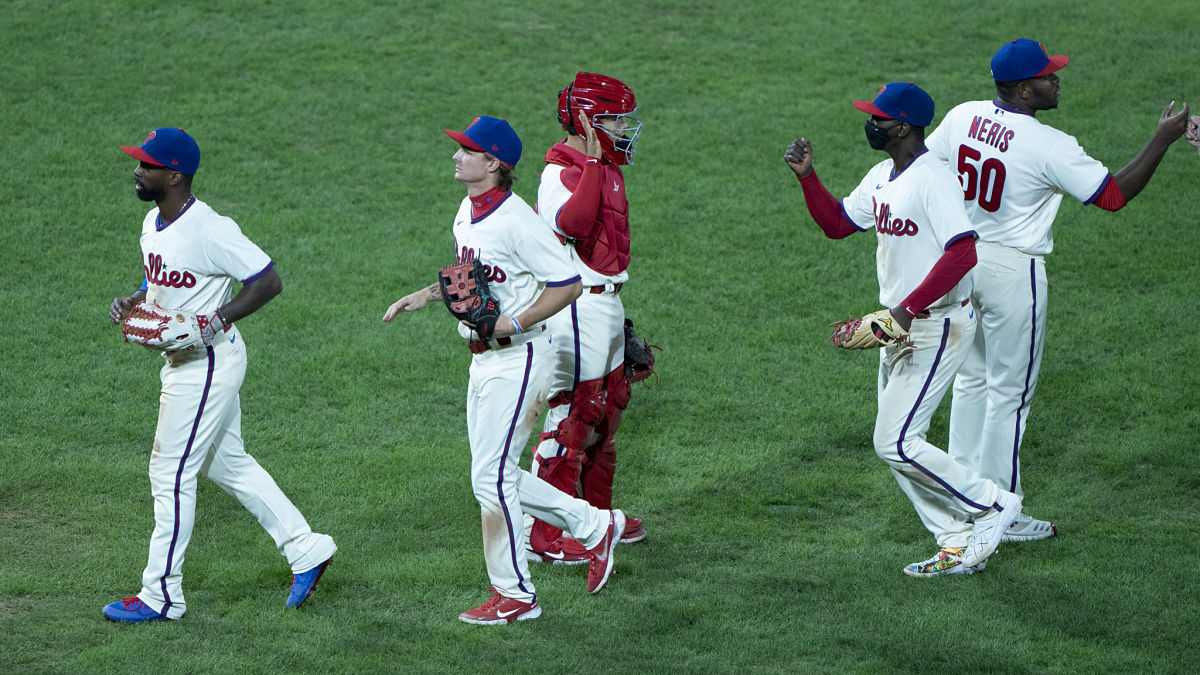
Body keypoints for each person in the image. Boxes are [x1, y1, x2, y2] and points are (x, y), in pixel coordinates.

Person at [925, 39, 1190, 543]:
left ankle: (962, 500)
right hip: (1010, 274)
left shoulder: (963, 117)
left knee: (971, 383)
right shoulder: (1048, 144)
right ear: (1024, 90)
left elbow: (929, 171)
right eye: (1048, 76)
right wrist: (1161, 140)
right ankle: (998, 513)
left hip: (959, 262)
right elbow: (1112, 196)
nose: (1057, 79)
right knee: (1008, 395)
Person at [382, 115, 626, 625]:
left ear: (493, 163)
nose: (456, 156)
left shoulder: (517, 220)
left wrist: (512, 321)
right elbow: (472, 278)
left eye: (466, 150)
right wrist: (425, 295)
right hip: (484, 360)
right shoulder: (467, 211)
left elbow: (566, 283)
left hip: (518, 359)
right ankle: (594, 526)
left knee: (489, 479)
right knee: (496, 475)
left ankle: (516, 595)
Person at [784, 83, 1023, 577]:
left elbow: (963, 252)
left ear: (905, 126)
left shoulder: (933, 178)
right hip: (901, 324)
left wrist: (907, 312)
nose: (871, 123)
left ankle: (994, 506)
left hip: (936, 324)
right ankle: (955, 539)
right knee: (895, 444)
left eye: (879, 118)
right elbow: (837, 224)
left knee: (895, 441)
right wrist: (808, 178)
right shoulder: (883, 175)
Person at [104, 128, 336, 623]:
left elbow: (267, 280)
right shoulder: (153, 220)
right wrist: (136, 298)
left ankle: (161, 597)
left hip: (207, 364)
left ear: (174, 175)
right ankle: (307, 548)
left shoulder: (211, 228)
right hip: (188, 362)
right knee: (226, 462)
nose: (137, 171)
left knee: (169, 474)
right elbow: (161, 276)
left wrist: (216, 318)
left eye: (146, 165)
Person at [526, 71, 647, 565]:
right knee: (573, 418)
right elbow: (572, 225)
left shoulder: (605, 164)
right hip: (575, 305)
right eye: (615, 120)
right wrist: (594, 164)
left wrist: (600, 161)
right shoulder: (561, 171)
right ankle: (543, 536)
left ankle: (596, 518)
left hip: (607, 304)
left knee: (608, 411)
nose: (624, 128)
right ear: (586, 121)